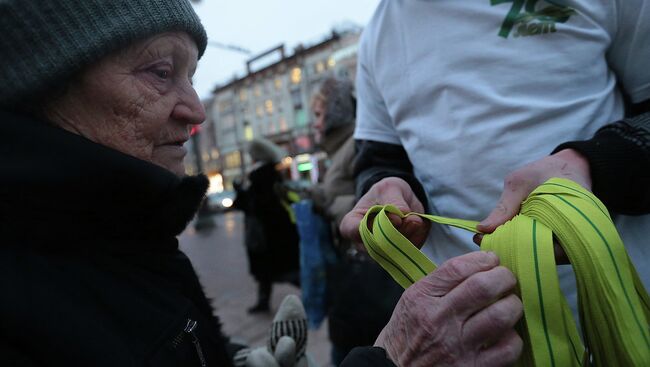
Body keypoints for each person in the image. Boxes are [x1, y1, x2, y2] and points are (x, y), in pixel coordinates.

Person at [339, 0, 650, 365]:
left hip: (624, 317)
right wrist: (385, 185)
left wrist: (597, 165)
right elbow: (379, 157)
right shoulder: (379, 33)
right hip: (459, 345)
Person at [310, 77, 402, 365]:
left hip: (368, 277)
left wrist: (328, 203)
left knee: (359, 348)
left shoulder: (355, 144)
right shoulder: (337, 150)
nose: (314, 123)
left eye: (318, 114)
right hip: (350, 275)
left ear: (338, 114)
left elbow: (373, 205)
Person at [233, 138, 300, 314]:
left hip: (266, 233)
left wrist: (240, 192)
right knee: (275, 270)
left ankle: (317, 294)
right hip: (273, 231)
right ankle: (263, 302)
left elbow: (252, 204)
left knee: (277, 270)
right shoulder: (271, 173)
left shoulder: (259, 176)